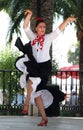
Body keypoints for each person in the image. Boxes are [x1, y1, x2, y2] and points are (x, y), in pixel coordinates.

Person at [16, 9, 76, 126]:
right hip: (35, 65)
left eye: (44, 27)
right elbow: (25, 26)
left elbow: (59, 29)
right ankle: (44, 118)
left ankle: (26, 104)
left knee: (32, 82)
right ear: (36, 29)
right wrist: (30, 15)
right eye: (40, 27)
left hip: (44, 67)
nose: (43, 29)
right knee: (37, 94)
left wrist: (68, 20)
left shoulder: (48, 38)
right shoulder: (32, 38)